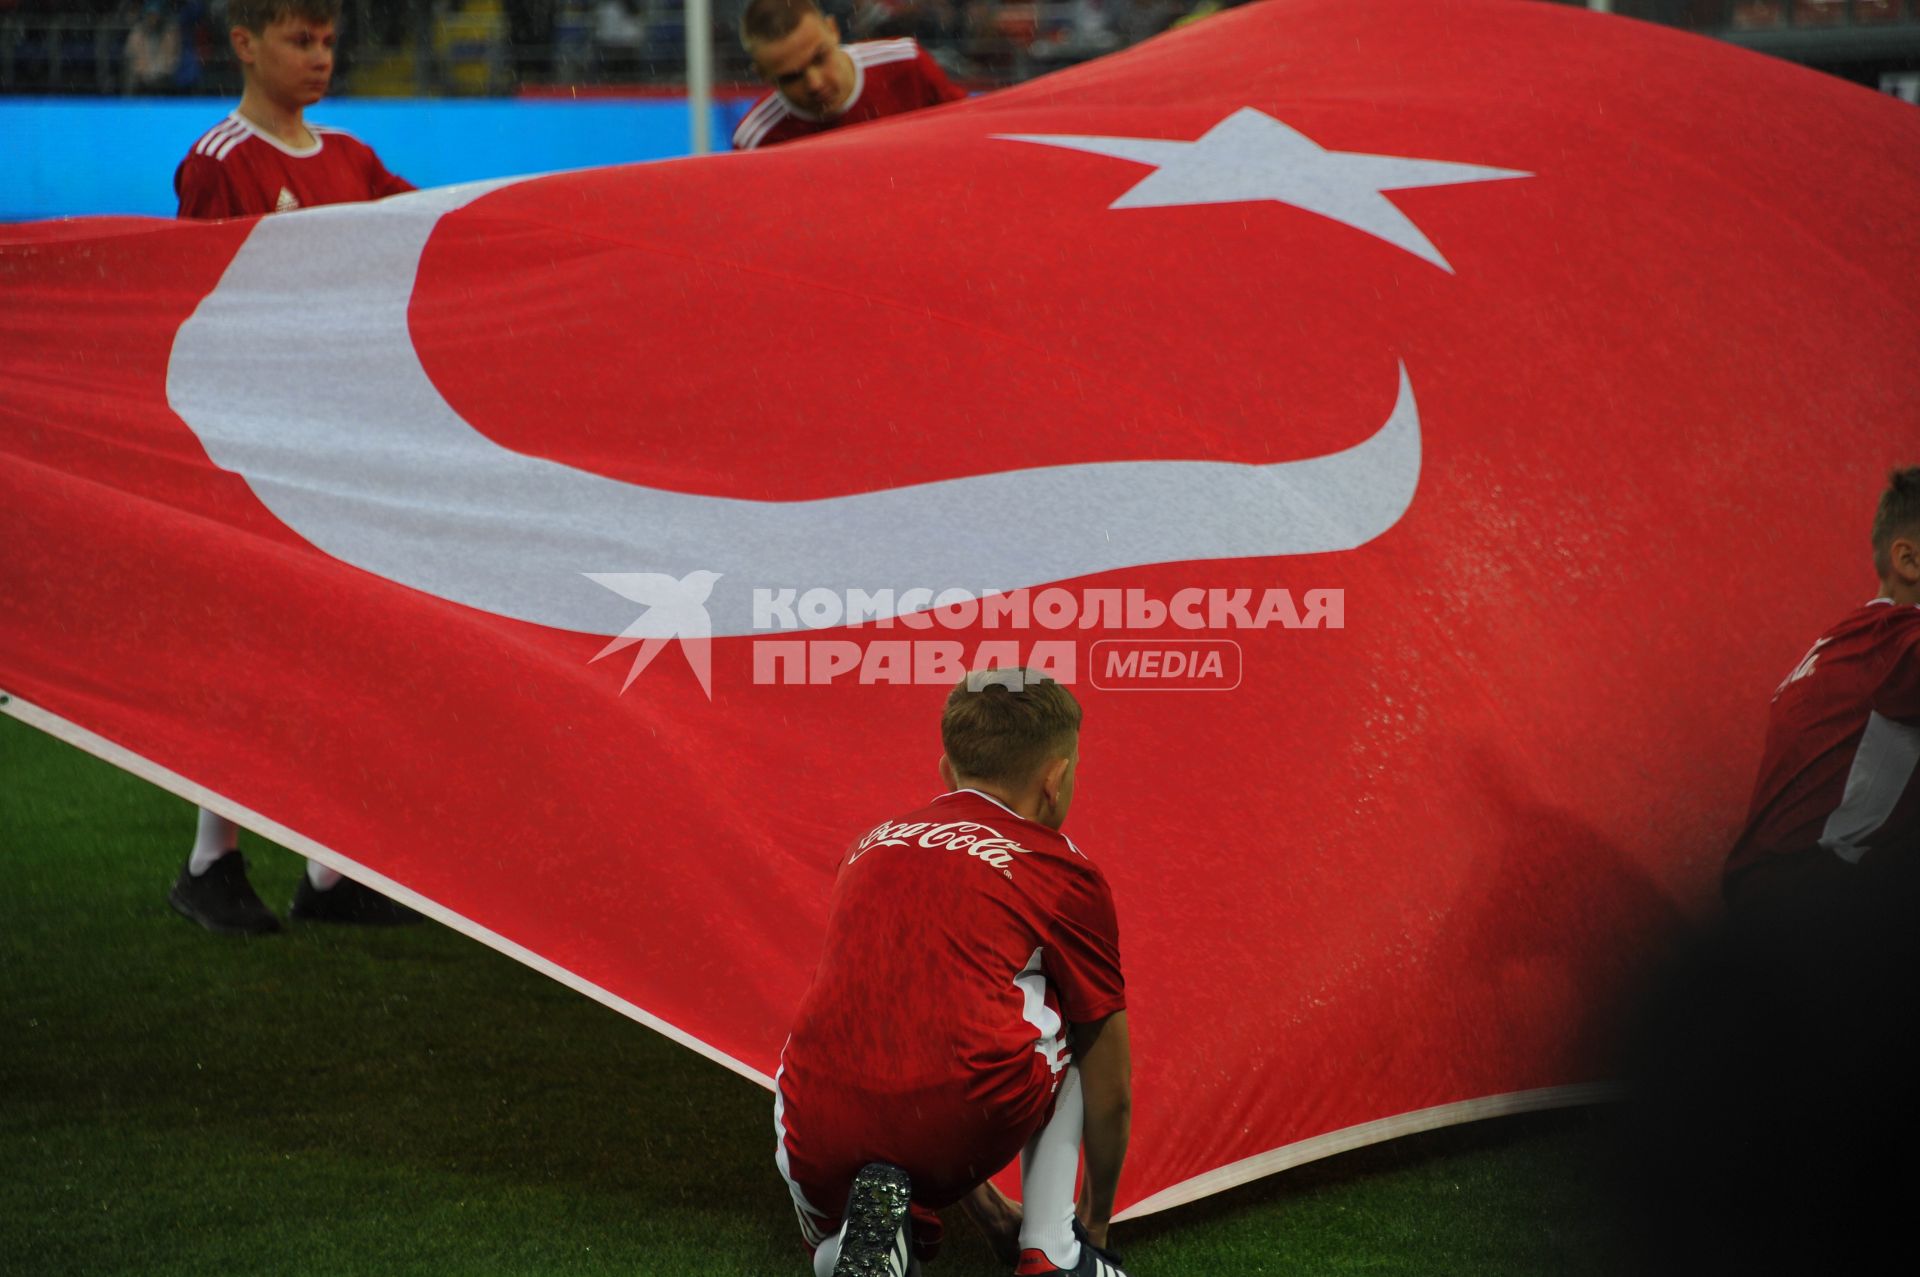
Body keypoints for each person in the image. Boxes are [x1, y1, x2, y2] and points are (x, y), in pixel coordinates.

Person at [167, 0, 419, 933]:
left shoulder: (350, 155)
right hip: (260, 449)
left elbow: (427, 233)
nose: (318, 58)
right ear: (244, 44)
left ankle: (327, 870)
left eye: (326, 42)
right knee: (259, 646)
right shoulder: (221, 161)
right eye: (298, 41)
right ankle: (212, 861)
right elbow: (202, 306)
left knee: (335, 648)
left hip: (343, 444)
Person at [774, 670, 1133, 1277]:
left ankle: (847, 1247)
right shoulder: (1060, 869)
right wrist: (1096, 1226)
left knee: (897, 1020)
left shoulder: (869, 844)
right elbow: (1112, 1089)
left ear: (946, 770)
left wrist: (989, 1213)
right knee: (1080, 1021)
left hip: (811, 1130)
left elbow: (917, 1022)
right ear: (1056, 779)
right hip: (959, 1119)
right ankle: (1054, 1250)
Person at [1721, 463, 1920, 918]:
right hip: (1811, 918)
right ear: (1909, 560)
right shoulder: (1896, 644)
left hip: (1770, 915)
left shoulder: (1846, 642)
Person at [733, 0, 966, 152]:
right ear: (763, 75)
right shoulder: (757, 140)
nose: (814, 83)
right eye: (791, 77)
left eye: (819, 58)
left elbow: (967, 139)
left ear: (833, 30)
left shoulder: (906, 66)